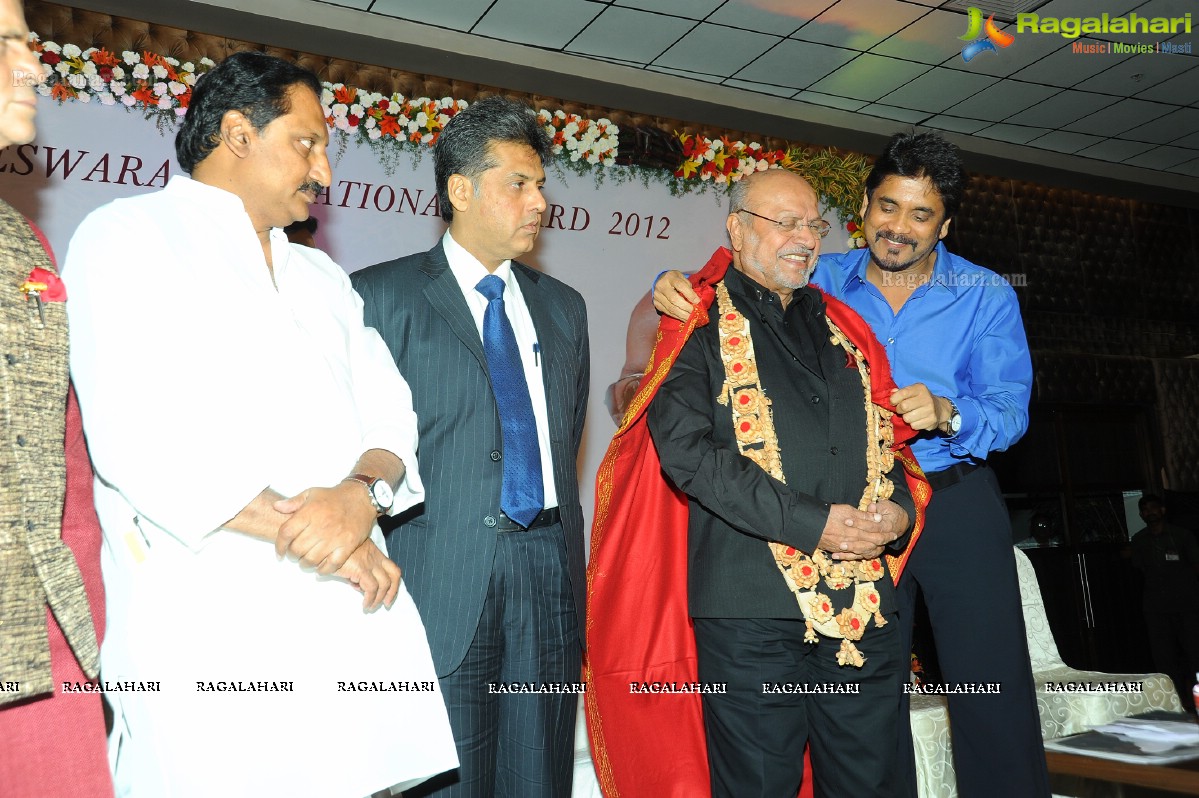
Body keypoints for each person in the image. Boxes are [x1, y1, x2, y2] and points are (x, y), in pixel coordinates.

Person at [63, 51, 457, 797]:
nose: (325, 173)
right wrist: (319, 536)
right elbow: (136, 440)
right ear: (238, 134)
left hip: (350, 610)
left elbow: (391, 414)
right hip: (213, 622)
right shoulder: (127, 237)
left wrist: (359, 500)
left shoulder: (320, 276)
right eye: (307, 143)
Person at [655, 132, 1046, 797]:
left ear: (944, 224)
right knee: (866, 686)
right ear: (862, 208)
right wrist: (673, 284)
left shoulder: (982, 294)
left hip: (949, 497)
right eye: (887, 207)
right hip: (853, 515)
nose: (898, 227)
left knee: (990, 681)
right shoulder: (822, 277)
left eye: (920, 214)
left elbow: (1010, 410)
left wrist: (950, 412)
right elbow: (738, 282)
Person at [589, 168, 926, 797]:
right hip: (750, 609)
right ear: (738, 229)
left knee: (874, 784)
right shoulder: (692, 318)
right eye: (785, 222)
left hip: (865, 604)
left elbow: (891, 449)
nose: (804, 237)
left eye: (813, 225)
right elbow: (688, 454)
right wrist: (814, 522)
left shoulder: (847, 330)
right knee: (760, 787)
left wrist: (899, 515)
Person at [351, 95, 589, 798]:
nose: (539, 202)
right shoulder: (379, 296)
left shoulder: (563, 307)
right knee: (446, 781)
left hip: (546, 575)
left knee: (540, 777)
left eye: (541, 184)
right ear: (460, 189)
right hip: (439, 578)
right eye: (519, 183)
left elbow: (564, 438)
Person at [0, 1, 113, 794]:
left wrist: (86, 606)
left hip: (42, 637)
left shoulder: (20, 239)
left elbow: (63, 455)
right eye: (6, 44)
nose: (35, 67)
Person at [1128, 494, 1199, 709]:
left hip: (1186, 605)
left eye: (1153, 508)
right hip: (1156, 608)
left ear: (1163, 510)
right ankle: (1173, 702)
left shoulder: (1182, 535)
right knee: (1163, 659)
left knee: (1194, 654)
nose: (1150, 512)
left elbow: (1196, 566)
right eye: (1145, 510)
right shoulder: (1139, 539)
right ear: (1141, 514)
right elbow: (1139, 568)